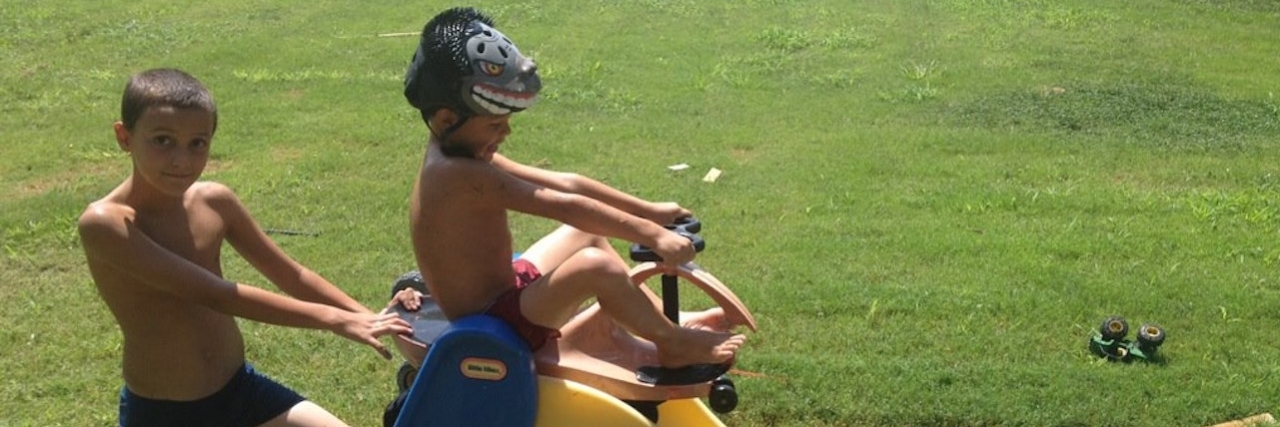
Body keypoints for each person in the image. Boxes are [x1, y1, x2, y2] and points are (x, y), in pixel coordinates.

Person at [401, 7, 745, 370]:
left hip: (507, 290)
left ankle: (665, 321)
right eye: (495, 124)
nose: (506, 133)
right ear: (446, 118)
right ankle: (673, 343)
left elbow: (567, 184)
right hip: (493, 322)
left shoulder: (457, 151)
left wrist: (649, 211)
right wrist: (652, 234)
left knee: (586, 237)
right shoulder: (456, 175)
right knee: (595, 266)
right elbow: (562, 205)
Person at [77, 68, 413, 427]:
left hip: (241, 393)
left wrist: (371, 318)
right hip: (165, 413)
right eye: (162, 140)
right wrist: (334, 320)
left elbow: (293, 274)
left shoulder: (214, 201)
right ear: (124, 136)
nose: (182, 160)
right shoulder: (106, 224)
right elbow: (216, 295)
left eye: (198, 143)